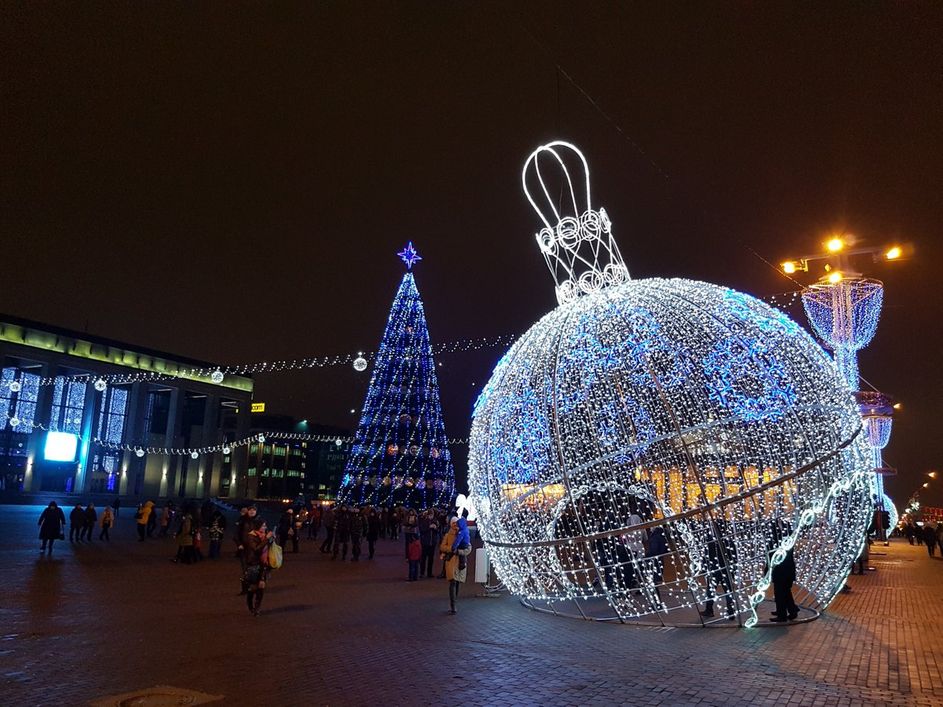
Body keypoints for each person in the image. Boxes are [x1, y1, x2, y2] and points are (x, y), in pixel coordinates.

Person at [700, 525, 736, 620]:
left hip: (715, 570)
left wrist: (705, 568)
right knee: (728, 591)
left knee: (711, 591)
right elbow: (734, 556)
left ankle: (709, 610)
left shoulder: (710, 541)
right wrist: (733, 569)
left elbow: (706, 557)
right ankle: (731, 612)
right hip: (726, 570)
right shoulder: (728, 541)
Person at [243, 517, 274, 616]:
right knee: (252, 588)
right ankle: (250, 605)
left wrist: (272, 539)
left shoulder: (264, 535)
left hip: (264, 565)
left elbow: (269, 547)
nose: (265, 527)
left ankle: (257, 608)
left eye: (265, 525)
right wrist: (267, 539)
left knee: (261, 587)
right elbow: (256, 549)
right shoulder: (251, 536)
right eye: (263, 526)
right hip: (254, 564)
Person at [445, 519, 473, 614]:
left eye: (456, 523)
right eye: (453, 523)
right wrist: (450, 549)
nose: (454, 525)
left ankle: (454, 603)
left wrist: (458, 551)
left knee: (457, 583)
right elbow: (443, 547)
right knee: (452, 582)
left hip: (460, 562)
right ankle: (453, 606)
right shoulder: (448, 534)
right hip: (452, 561)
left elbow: (468, 548)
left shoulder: (462, 532)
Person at [419, 510, 440, 578]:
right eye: (430, 515)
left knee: (431, 559)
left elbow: (438, 531)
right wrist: (429, 527)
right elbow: (422, 530)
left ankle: (429, 573)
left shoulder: (435, 521)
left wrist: (435, 528)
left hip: (432, 543)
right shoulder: (424, 521)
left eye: (432, 515)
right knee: (423, 558)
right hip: (425, 542)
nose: (431, 516)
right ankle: (422, 572)